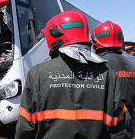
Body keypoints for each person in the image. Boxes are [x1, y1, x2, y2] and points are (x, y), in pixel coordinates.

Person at [15, 11, 130, 139]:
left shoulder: (37, 73)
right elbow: (119, 129)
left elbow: (25, 128)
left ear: (54, 36)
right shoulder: (107, 74)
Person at [91, 21, 135, 138]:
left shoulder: (95, 65)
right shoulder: (131, 63)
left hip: (104, 131)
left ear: (95, 42)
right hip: (127, 130)